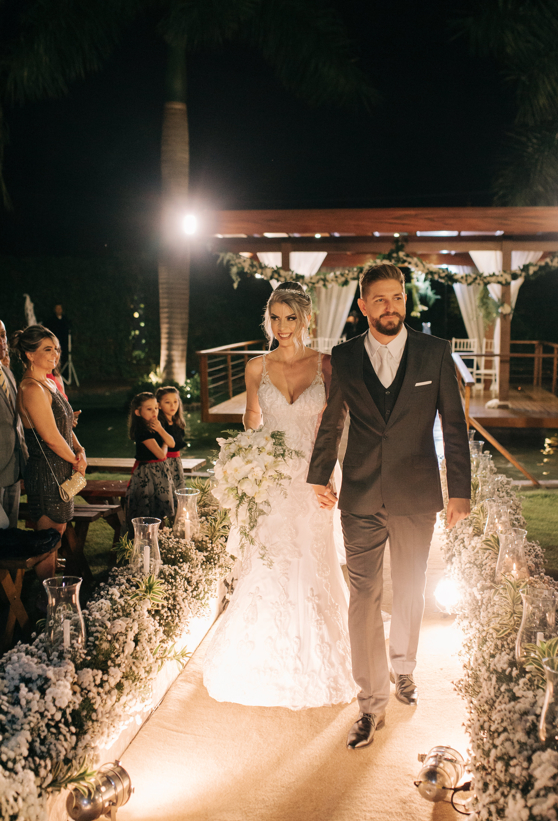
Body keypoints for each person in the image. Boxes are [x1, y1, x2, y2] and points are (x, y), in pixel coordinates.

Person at [307, 262, 471, 749]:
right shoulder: (344, 357)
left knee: (411, 587)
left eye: (397, 298)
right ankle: (370, 702)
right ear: (362, 307)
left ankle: (404, 669)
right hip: (359, 493)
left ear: (405, 301)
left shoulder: (435, 353)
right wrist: (318, 475)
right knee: (364, 596)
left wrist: (458, 491)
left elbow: (455, 427)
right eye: (379, 299)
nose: (390, 307)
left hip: (417, 493)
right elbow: (332, 422)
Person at [203, 282, 356, 710]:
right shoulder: (256, 368)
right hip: (268, 481)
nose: (283, 326)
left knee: (314, 560)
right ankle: (261, 657)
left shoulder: (327, 364)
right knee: (270, 563)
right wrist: (241, 462)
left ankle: (318, 656)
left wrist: (325, 478)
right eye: (275, 318)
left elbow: (334, 426)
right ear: (267, 320)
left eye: (291, 318)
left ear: (306, 319)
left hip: (316, 479)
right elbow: (253, 422)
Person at [12, 325, 87, 583]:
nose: (55, 354)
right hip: (46, 473)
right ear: (30, 354)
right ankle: (46, 603)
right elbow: (52, 438)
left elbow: (64, 426)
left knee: (58, 532)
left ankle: (52, 597)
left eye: (56, 349)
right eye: (47, 349)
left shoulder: (49, 383)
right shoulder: (31, 388)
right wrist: (76, 461)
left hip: (62, 468)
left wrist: (80, 449)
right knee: (48, 541)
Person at [125, 392, 176, 530]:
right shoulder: (141, 431)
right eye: (149, 409)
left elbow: (172, 443)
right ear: (138, 412)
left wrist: (160, 430)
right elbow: (160, 454)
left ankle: (162, 537)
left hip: (160, 472)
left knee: (162, 508)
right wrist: (164, 444)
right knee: (149, 509)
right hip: (148, 474)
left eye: (156, 408)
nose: (154, 412)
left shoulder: (156, 426)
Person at [0, 319, 28, 527]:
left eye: (3, 335)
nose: (2, 342)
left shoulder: (7, 372)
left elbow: (15, 421)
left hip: (13, 466)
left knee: (10, 530)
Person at [156, 386, 186, 493]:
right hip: (164, 462)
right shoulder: (159, 424)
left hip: (176, 462)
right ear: (159, 405)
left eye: (175, 401)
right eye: (168, 402)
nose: (173, 405)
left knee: (179, 492)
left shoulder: (177, 423)